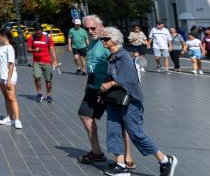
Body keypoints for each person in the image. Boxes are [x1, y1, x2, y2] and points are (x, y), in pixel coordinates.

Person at [98, 26, 178, 176]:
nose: (103, 41)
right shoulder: (112, 57)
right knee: (113, 131)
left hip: (130, 101)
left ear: (115, 40)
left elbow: (130, 79)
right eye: (102, 39)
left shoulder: (123, 56)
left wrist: (110, 84)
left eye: (106, 39)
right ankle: (121, 165)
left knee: (136, 133)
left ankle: (165, 160)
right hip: (114, 101)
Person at [76, 15, 132, 167]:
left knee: (118, 120)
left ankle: (127, 157)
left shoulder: (107, 42)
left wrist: (108, 86)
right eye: (87, 29)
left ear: (101, 26)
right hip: (94, 85)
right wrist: (89, 82)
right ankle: (97, 152)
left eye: (93, 28)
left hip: (108, 87)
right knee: (85, 114)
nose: (90, 31)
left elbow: (118, 64)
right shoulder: (93, 42)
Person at [0, 29, 21, 129]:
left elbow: (11, 64)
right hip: (1, 76)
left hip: (9, 77)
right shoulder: (0, 48)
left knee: (12, 98)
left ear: (4, 36)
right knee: (6, 97)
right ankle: (10, 118)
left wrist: (9, 80)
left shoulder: (9, 48)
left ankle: (17, 120)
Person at [26, 25, 59, 102]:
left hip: (46, 61)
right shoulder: (31, 38)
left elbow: (52, 50)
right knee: (37, 77)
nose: (38, 35)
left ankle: (49, 95)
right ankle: (39, 93)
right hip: (36, 62)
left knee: (48, 80)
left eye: (40, 33)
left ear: (42, 31)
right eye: (37, 33)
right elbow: (28, 49)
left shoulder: (48, 38)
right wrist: (34, 50)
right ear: (35, 32)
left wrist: (55, 61)